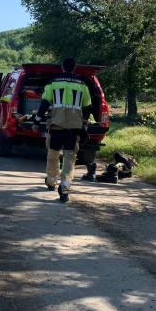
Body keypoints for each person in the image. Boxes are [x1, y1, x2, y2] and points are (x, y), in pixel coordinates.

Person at [34, 57, 93, 202]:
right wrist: (84, 125)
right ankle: (65, 190)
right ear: (74, 68)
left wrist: (37, 120)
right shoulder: (82, 85)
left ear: (62, 67)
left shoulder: (52, 83)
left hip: (56, 126)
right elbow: (88, 107)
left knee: (53, 155)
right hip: (73, 128)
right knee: (69, 158)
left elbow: (44, 103)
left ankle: (51, 181)